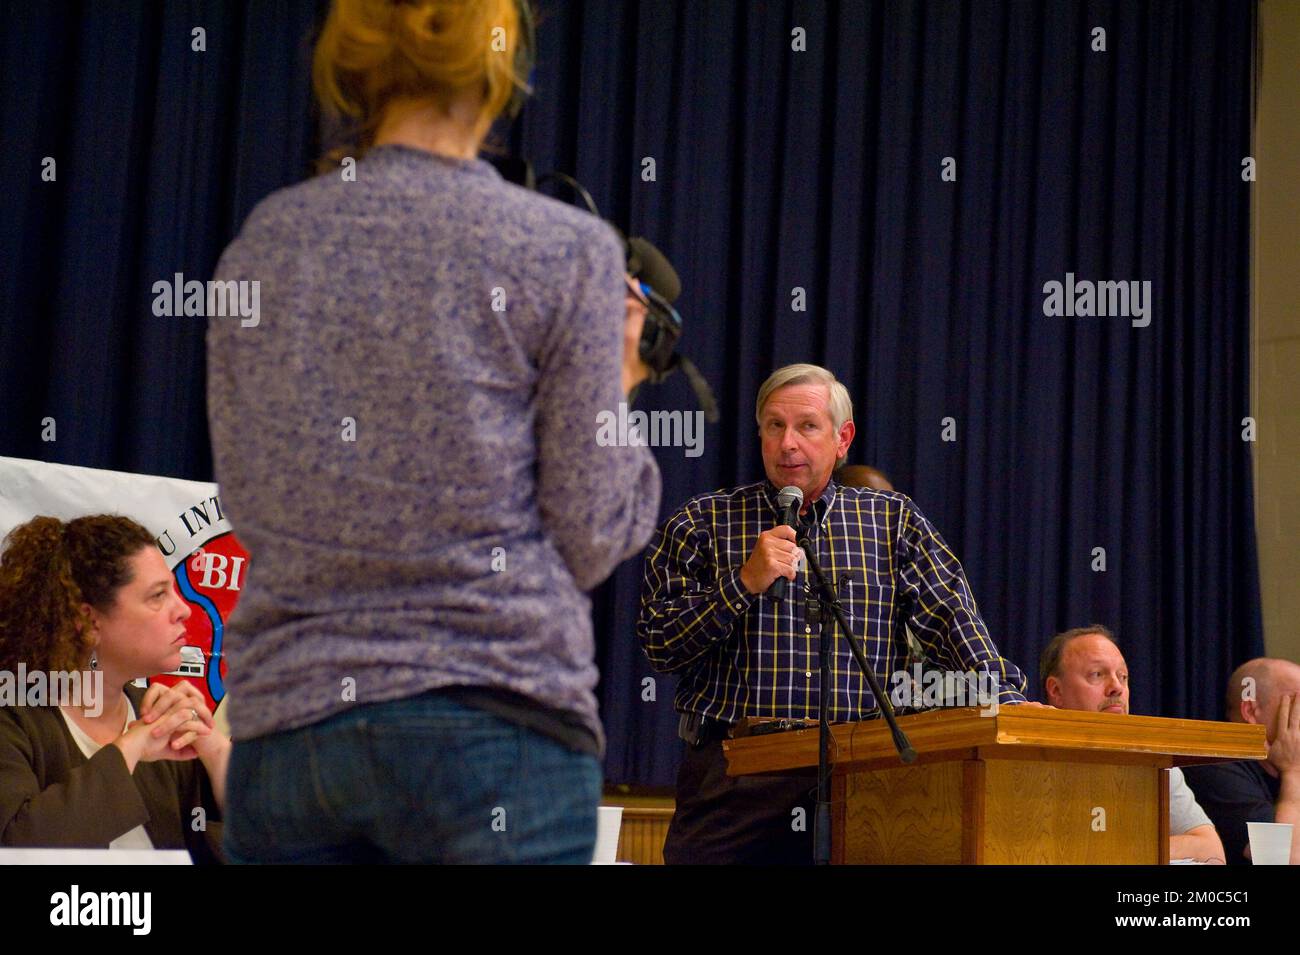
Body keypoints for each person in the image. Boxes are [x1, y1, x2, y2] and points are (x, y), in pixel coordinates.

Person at [206, 0, 661, 863]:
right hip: (495, 724)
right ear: (499, 69)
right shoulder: (563, 248)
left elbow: (252, 498)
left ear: (357, 64)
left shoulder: (264, 242)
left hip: (289, 729)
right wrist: (621, 382)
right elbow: (596, 529)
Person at [637, 363, 1030, 864]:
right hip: (735, 776)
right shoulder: (702, 521)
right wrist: (742, 584)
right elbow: (659, 643)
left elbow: (952, 619)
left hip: (859, 771)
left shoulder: (891, 522)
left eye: (806, 426)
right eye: (774, 427)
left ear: (842, 438)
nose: (787, 444)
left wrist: (1007, 701)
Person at [0, 515, 227, 861]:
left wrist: (215, 749)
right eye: (157, 596)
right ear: (90, 623)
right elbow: (18, 848)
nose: (182, 610)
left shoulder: (162, 719)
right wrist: (129, 750)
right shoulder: (13, 718)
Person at [1039, 625, 1225, 864]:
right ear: (1056, 691)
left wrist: (1121, 851)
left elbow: (1210, 849)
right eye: (1097, 674)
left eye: (1123, 676)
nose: (1117, 687)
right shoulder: (1026, 763)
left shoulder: (1154, 761)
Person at [1183, 658, 1300, 864]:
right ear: (1251, 711)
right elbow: (1281, 859)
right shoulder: (1214, 765)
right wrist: (1293, 772)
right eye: (1296, 703)